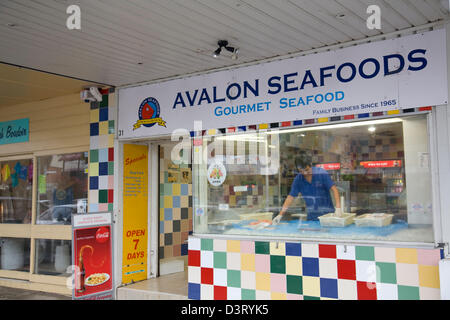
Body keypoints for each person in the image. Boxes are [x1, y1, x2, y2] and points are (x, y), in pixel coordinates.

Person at [273, 151, 341, 224]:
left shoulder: (321, 173)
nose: (305, 173)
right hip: (312, 219)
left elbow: (334, 190)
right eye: (301, 171)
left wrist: (338, 208)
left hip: (327, 217)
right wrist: (280, 215)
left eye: (307, 170)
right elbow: (290, 197)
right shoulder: (298, 179)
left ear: (310, 165)